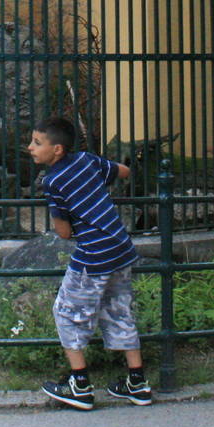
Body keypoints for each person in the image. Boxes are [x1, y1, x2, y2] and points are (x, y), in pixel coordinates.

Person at [28, 116, 153, 409]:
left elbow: (64, 231)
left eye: (37, 142)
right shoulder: (86, 160)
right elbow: (123, 171)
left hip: (93, 255)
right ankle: (138, 382)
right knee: (119, 310)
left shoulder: (53, 181)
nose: (30, 147)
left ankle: (80, 385)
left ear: (57, 150)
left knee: (66, 312)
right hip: (121, 248)